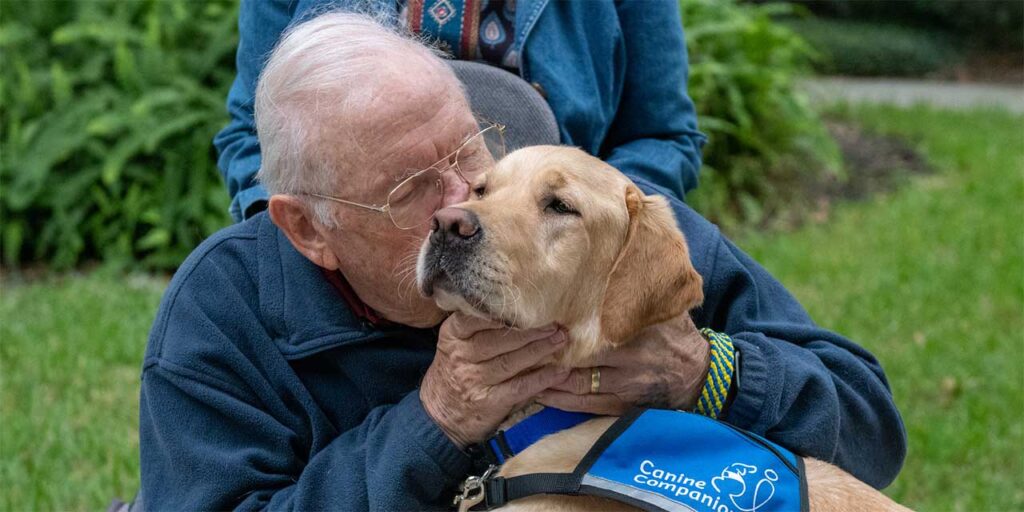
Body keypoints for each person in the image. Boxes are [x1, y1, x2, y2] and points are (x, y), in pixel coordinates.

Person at [137, 11, 906, 511]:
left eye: (472, 150)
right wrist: (431, 425)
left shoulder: (612, 237)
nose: (462, 202)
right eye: (409, 189)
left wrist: (703, 373)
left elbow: (870, 435)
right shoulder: (225, 310)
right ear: (309, 229)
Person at [214, 0, 706, 222]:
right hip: (368, 263)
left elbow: (663, 137)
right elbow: (251, 138)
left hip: (544, 267)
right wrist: (311, 240)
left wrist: (585, 225)